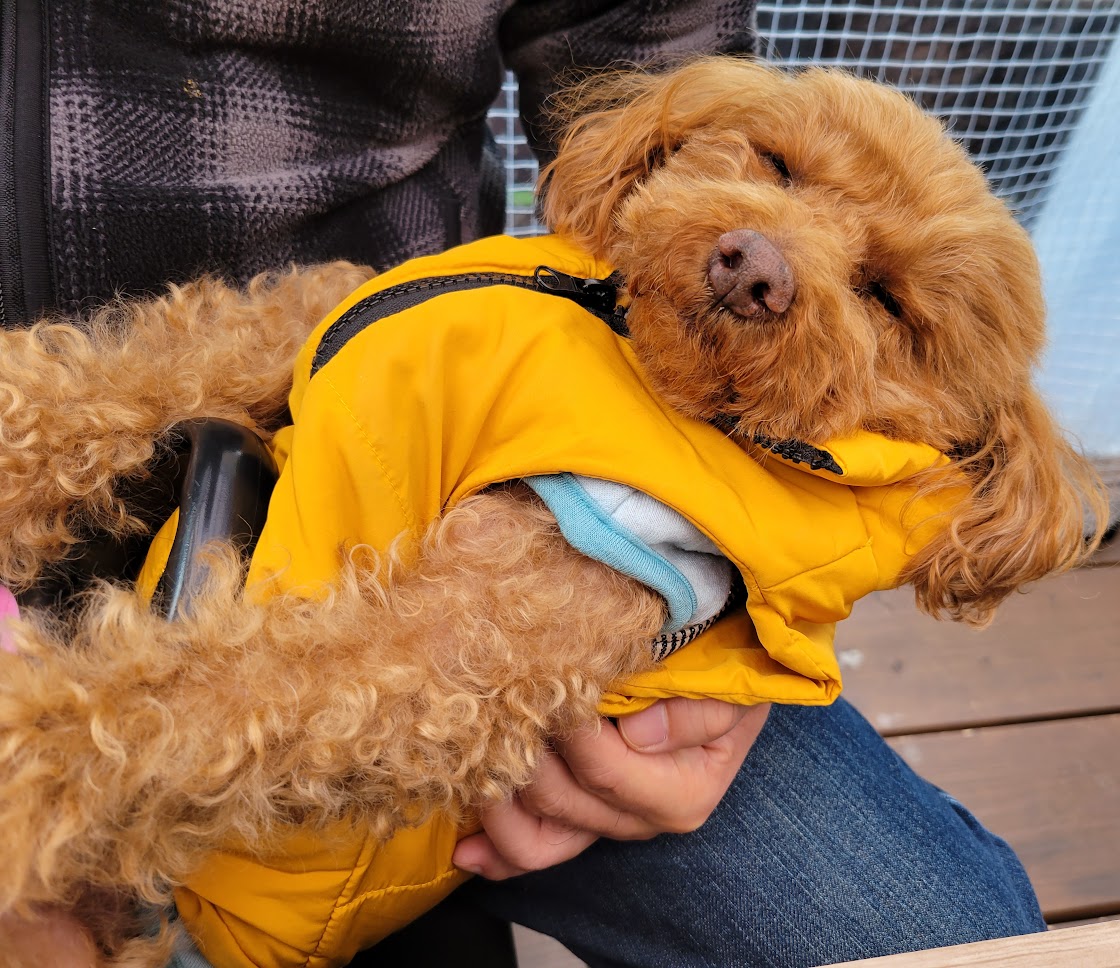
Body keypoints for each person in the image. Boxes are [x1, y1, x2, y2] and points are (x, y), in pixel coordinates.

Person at [0, 2, 1046, 964]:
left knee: (953, 935)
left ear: (962, 434)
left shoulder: (654, 524)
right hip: (287, 403)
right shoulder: (545, 301)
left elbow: (379, 692)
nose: (763, 254)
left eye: (883, 294)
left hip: (240, 790)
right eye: (774, 167)